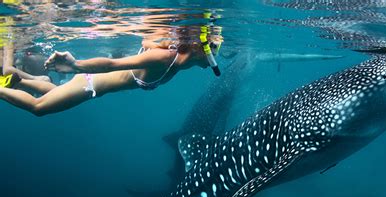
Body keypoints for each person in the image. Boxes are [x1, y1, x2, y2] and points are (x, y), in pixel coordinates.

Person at [0, 28, 223, 116]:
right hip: (90, 84)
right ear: (201, 49)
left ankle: (18, 80)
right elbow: (112, 65)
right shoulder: (164, 59)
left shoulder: (176, 59)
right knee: (38, 108)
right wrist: (76, 64)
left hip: (92, 85)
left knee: (54, 91)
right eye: (216, 48)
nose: (217, 55)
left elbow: (147, 39)